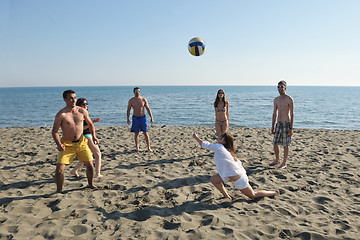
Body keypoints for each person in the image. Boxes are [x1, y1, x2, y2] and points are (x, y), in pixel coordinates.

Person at [192, 132, 280, 200]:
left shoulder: (219, 147)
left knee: (253, 195)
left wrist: (196, 137)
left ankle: (274, 193)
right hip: (233, 175)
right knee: (214, 179)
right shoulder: (225, 149)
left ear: (223, 140)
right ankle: (226, 196)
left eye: (220, 136)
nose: (218, 137)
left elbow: (204, 144)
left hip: (239, 178)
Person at [52, 90, 99, 193]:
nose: (73, 100)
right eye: (70, 98)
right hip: (67, 144)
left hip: (81, 142)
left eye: (75, 97)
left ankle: (90, 184)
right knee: (59, 170)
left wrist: (94, 136)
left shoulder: (82, 111)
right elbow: (54, 131)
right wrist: (59, 144)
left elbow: (90, 124)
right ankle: (59, 190)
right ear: (65, 100)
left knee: (90, 165)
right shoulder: (61, 114)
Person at [70, 98, 103, 178]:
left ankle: (74, 170)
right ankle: (97, 173)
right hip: (86, 136)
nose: (86, 105)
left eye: (86, 104)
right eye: (84, 104)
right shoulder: (78, 114)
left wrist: (92, 123)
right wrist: (92, 123)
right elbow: (80, 128)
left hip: (88, 135)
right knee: (98, 154)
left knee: (88, 156)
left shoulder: (84, 113)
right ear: (79, 105)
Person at [269, 80, 294, 169]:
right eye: (278, 87)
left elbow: (292, 114)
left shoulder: (289, 99)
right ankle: (277, 159)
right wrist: (272, 127)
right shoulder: (276, 100)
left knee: (285, 144)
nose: (280, 89)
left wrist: (291, 128)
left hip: (286, 123)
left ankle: (284, 162)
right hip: (278, 124)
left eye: (281, 87)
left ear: (285, 88)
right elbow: (274, 113)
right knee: (275, 143)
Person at [127, 87, 154, 152]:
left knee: (145, 133)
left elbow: (148, 109)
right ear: (134, 92)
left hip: (143, 118)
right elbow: (128, 110)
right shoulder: (131, 100)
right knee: (136, 133)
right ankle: (137, 148)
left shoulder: (143, 99)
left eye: (138, 91)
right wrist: (128, 119)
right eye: (136, 91)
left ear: (140, 92)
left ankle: (148, 147)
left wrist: (151, 117)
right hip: (135, 118)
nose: (137, 92)